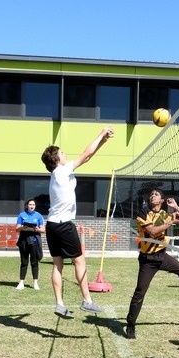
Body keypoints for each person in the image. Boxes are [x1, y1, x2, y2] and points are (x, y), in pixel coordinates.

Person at [41, 127, 113, 318]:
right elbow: (86, 153)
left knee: (58, 265)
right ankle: (87, 301)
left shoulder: (56, 175)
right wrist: (100, 133)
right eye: (62, 153)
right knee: (79, 261)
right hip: (64, 225)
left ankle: (59, 304)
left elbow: (87, 157)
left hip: (52, 225)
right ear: (56, 159)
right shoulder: (62, 171)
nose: (65, 155)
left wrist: (103, 142)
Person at [125, 189, 179, 339]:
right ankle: (130, 325)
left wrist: (176, 207)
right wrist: (170, 221)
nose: (152, 196)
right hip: (148, 259)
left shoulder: (165, 214)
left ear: (162, 200)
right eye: (151, 194)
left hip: (162, 255)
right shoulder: (143, 213)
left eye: (156, 194)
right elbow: (152, 231)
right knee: (140, 291)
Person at [14, 198, 45, 290]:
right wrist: (23, 227)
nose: (32, 206)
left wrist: (37, 229)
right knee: (24, 262)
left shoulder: (38, 216)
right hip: (23, 240)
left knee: (34, 262)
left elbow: (43, 230)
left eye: (33, 205)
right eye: (30, 204)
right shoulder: (21, 215)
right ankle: (21, 282)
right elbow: (17, 229)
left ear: (35, 206)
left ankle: (35, 282)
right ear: (27, 205)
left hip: (34, 241)